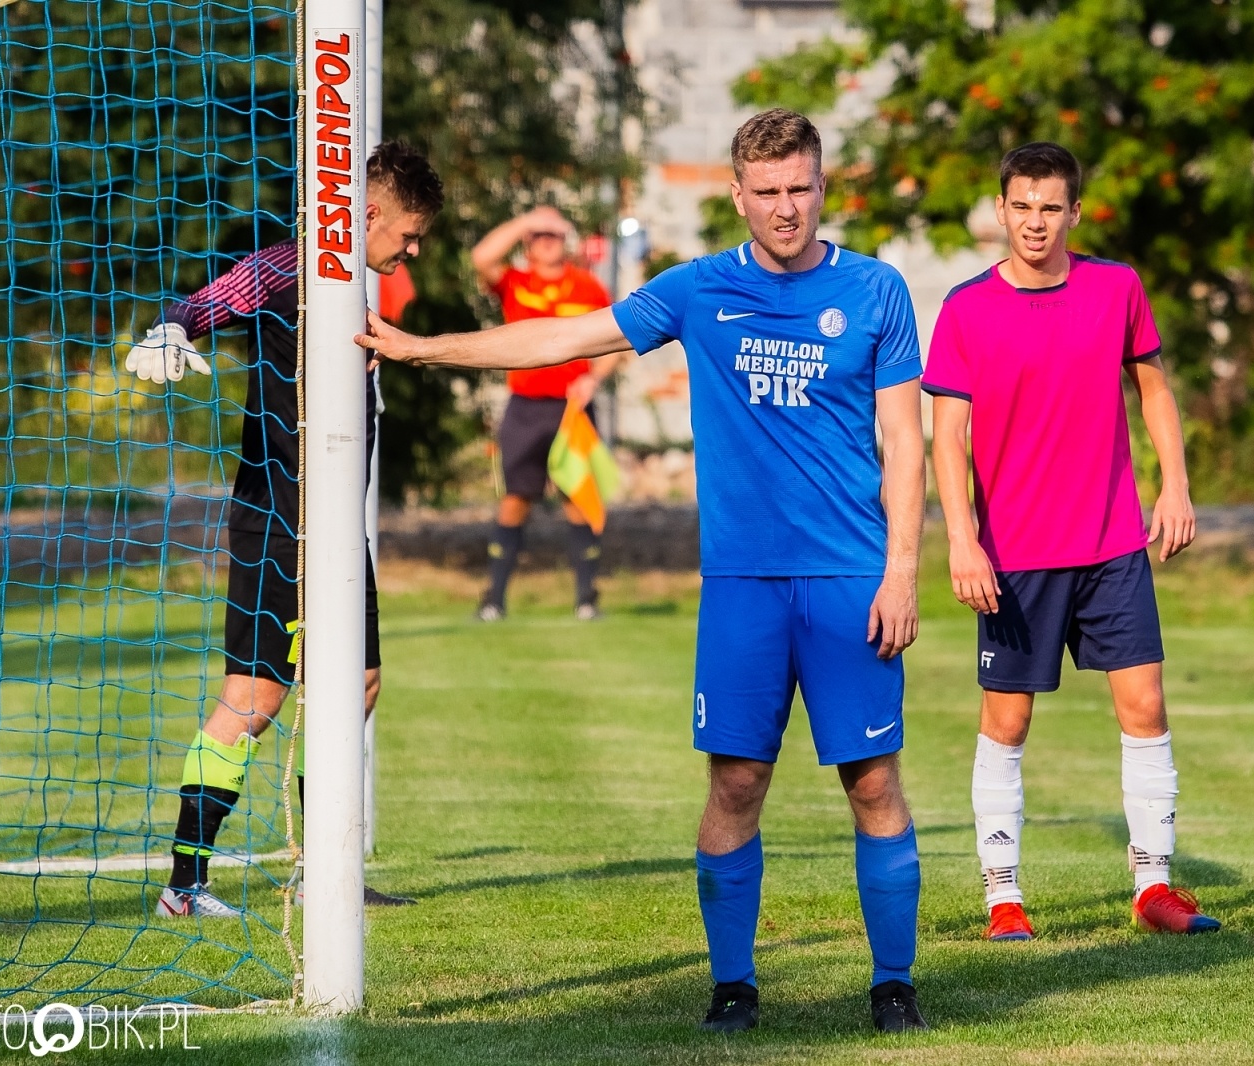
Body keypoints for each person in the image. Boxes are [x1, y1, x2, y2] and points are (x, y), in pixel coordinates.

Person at [356, 109, 930, 1034]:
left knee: (872, 780)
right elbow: (561, 338)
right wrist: (424, 348)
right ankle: (733, 988)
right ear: (737, 196)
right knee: (735, 783)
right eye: (768, 191)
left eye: (801, 187)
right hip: (741, 584)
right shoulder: (698, 291)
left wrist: (901, 571)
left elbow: (905, 442)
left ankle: (893, 986)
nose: (786, 208)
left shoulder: (877, 290)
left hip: (850, 579)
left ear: (823, 186)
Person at [123, 140, 445, 917]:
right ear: (370, 212)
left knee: (358, 684)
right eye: (408, 235)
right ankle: (184, 886)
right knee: (254, 697)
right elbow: (211, 301)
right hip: (278, 523)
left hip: (334, 529)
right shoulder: (289, 266)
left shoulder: (349, 294)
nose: (411, 252)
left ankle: (323, 874)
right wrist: (173, 328)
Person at [924, 142, 1220, 943]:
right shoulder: (965, 308)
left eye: (1051, 207)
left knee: (1146, 706)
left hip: (1111, 542)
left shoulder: (1116, 288)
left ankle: (1154, 887)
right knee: (1007, 722)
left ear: (1075, 213)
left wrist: (1175, 485)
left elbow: (1153, 390)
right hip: (1012, 553)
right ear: (1000, 210)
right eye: (1021, 206)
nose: (1035, 222)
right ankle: (1003, 896)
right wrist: (962, 540)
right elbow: (947, 438)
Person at [470, 206, 625, 621]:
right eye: (539, 236)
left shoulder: (587, 286)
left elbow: (618, 338)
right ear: (528, 245)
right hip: (525, 407)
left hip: (572, 409)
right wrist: (527, 220)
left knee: (578, 497)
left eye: (553, 235)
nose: (547, 241)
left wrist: (593, 378)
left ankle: (587, 599)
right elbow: (481, 258)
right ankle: (494, 599)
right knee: (516, 498)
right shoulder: (517, 282)